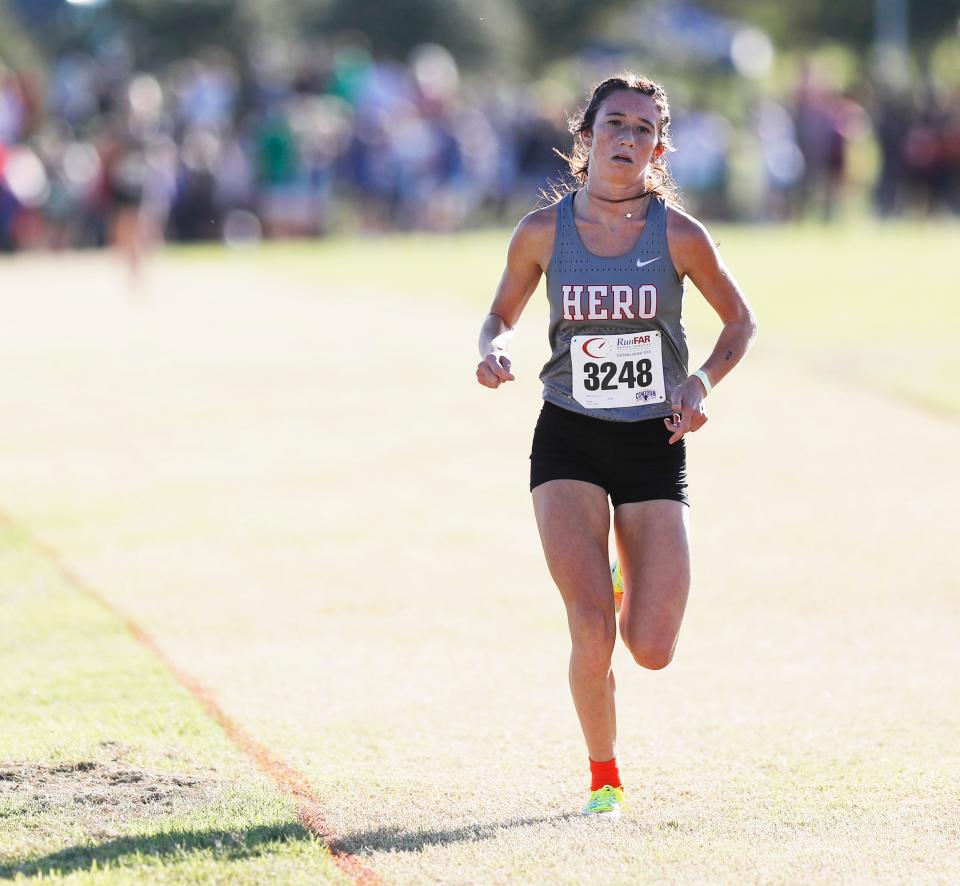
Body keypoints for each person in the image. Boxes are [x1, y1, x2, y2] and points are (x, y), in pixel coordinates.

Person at [475, 73, 757, 818]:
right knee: (589, 625)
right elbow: (499, 315)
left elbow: (740, 324)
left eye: (641, 129)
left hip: (652, 443)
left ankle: (622, 578)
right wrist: (494, 349)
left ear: (657, 147)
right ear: (586, 138)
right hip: (566, 436)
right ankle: (604, 776)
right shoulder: (542, 232)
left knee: (652, 647)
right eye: (614, 125)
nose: (626, 139)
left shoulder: (680, 235)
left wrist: (698, 384)